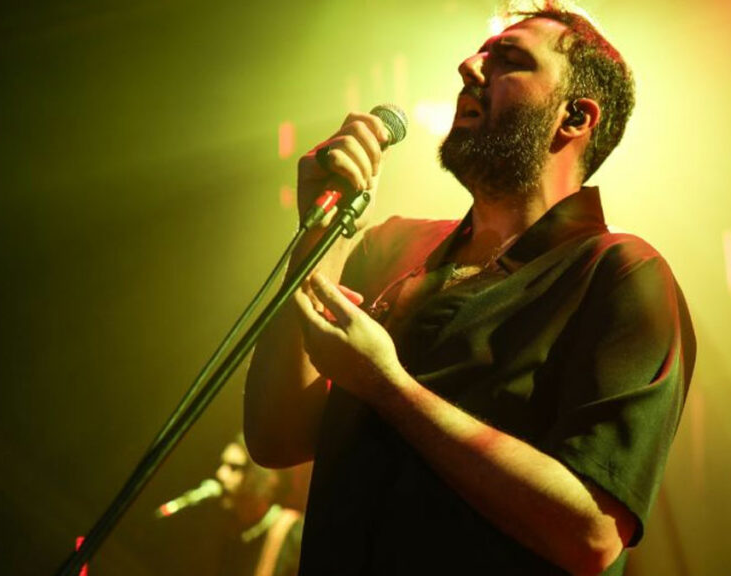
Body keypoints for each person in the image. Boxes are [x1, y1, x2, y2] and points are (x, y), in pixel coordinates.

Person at [244, 3, 695, 575]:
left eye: (509, 59)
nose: (469, 66)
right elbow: (276, 436)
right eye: (480, 53)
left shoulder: (620, 273)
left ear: (576, 117)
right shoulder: (388, 246)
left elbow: (592, 533)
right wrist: (321, 238)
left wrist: (388, 388)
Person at [214, 436, 303, 576]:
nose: (220, 474)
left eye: (234, 468)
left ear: (264, 476)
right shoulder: (233, 535)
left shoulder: (294, 532)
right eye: (222, 465)